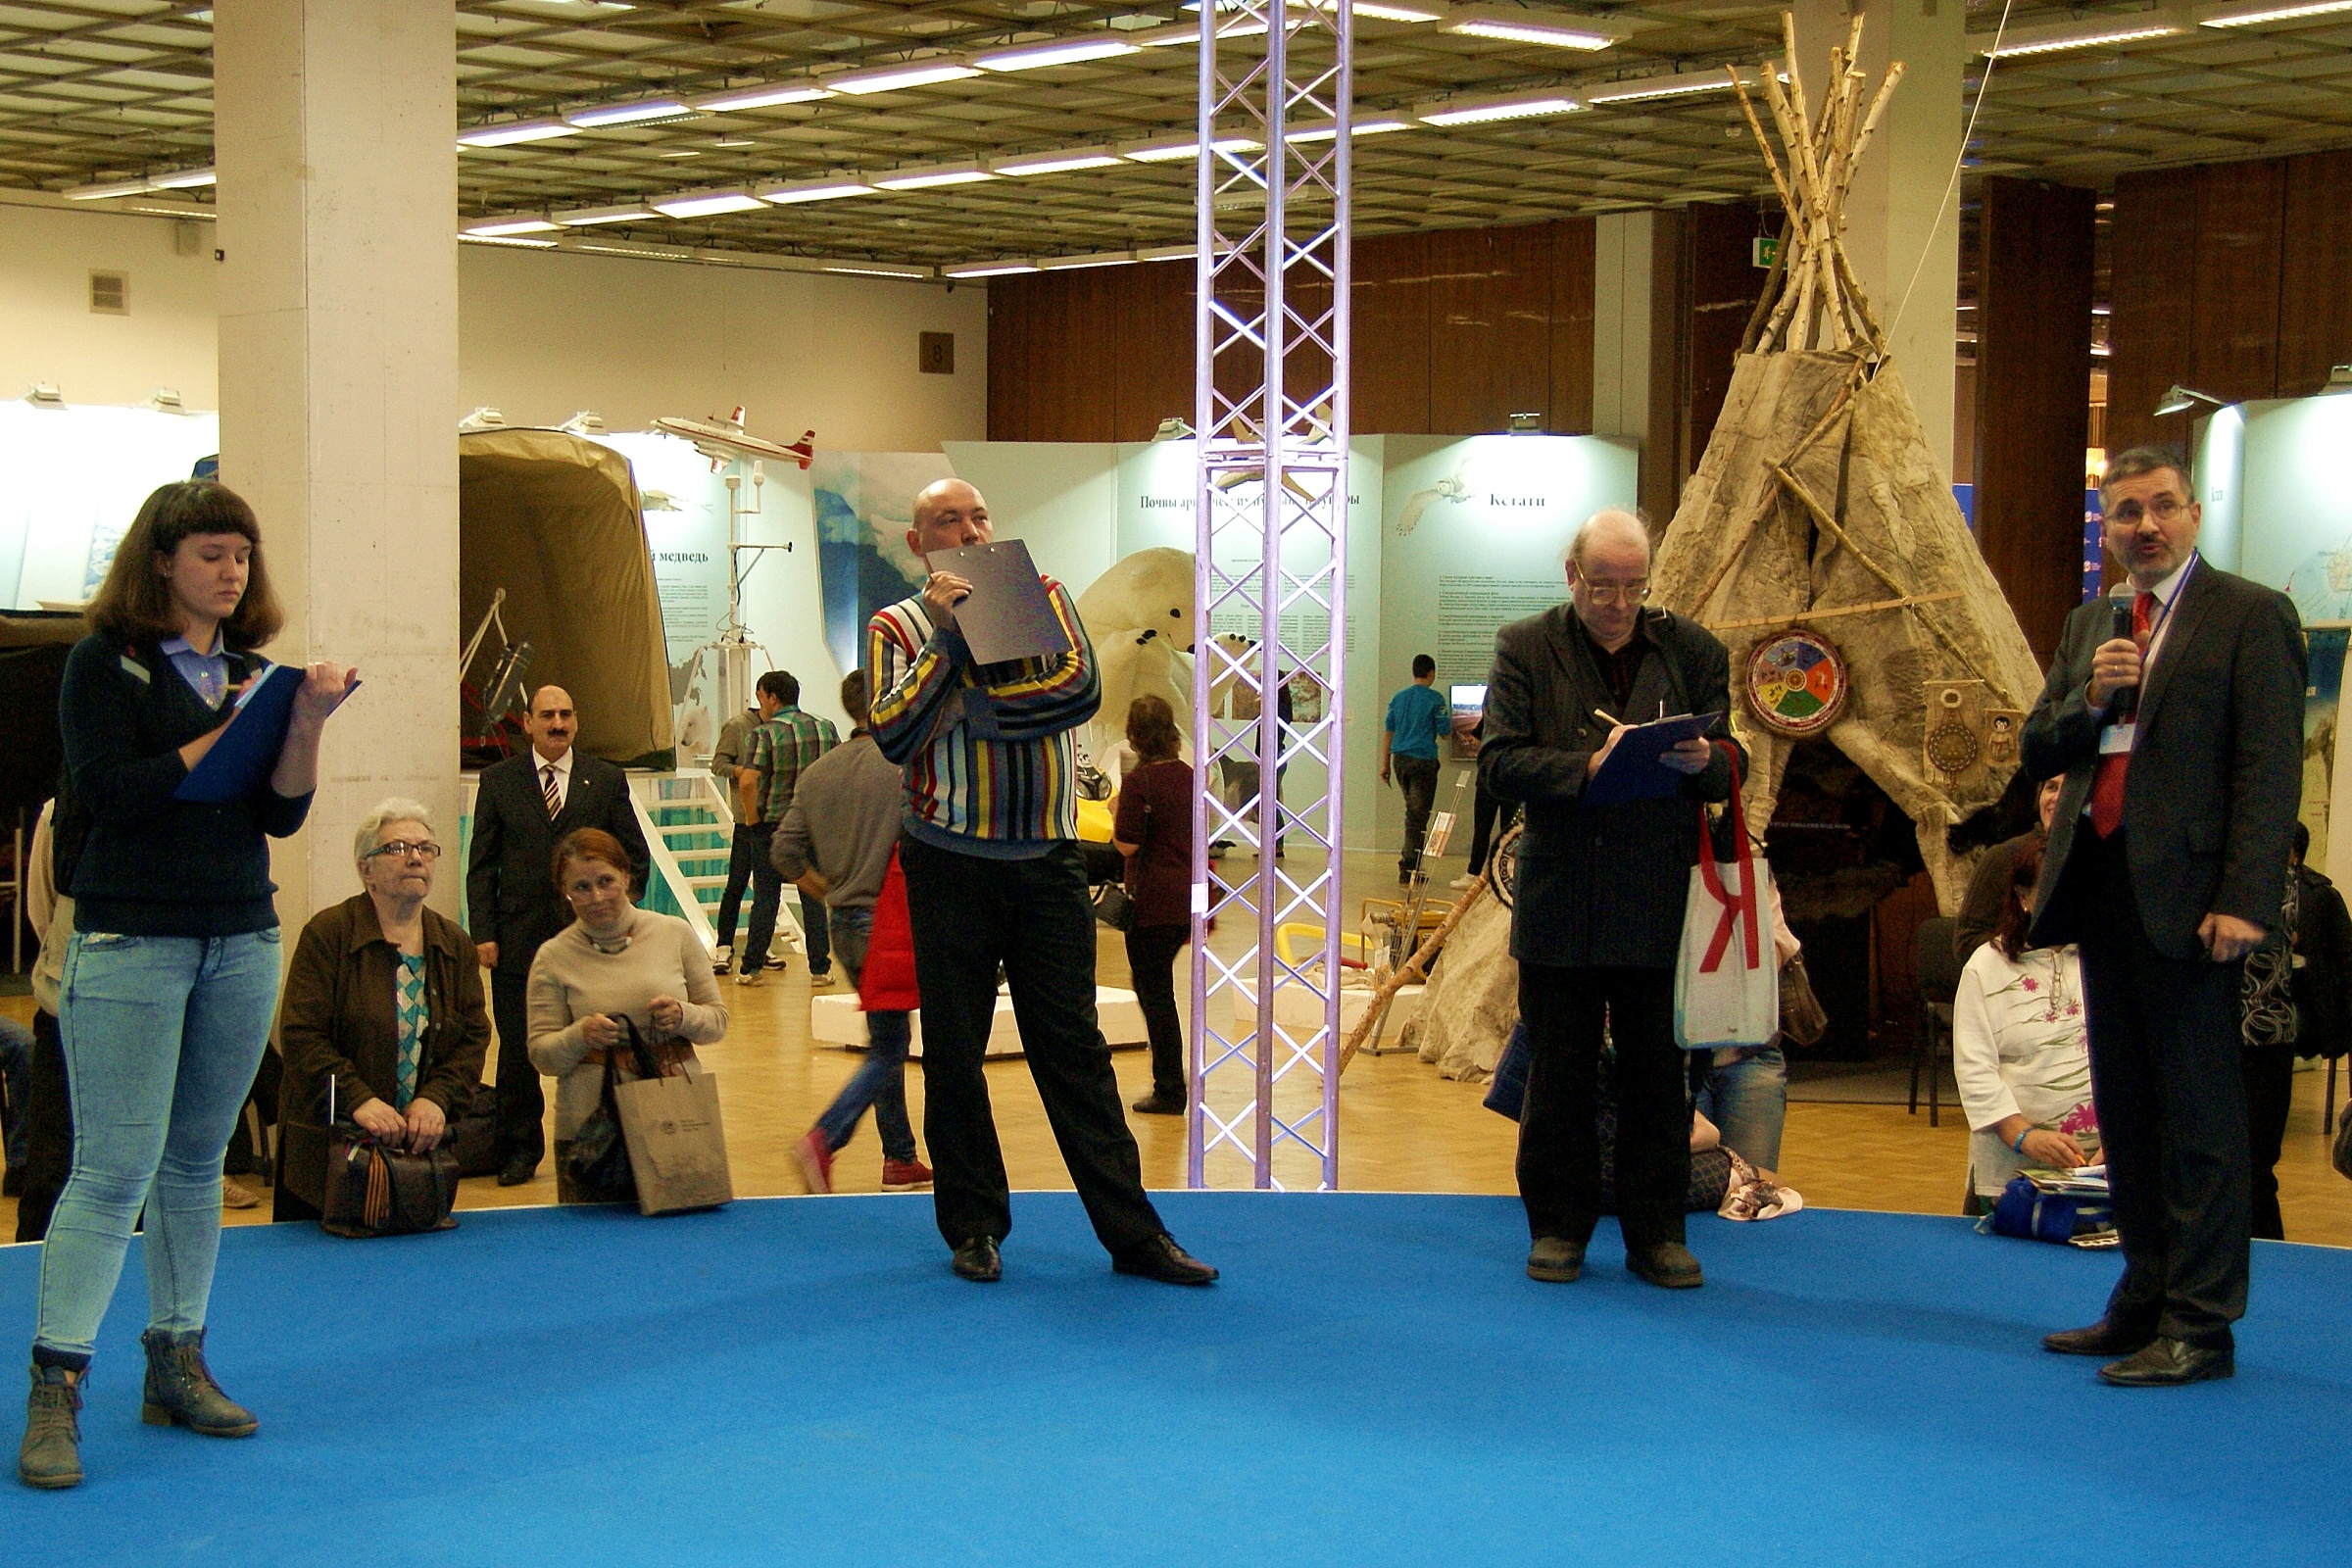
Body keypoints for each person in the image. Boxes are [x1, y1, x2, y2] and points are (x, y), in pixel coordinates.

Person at [21, 479, 354, 1492]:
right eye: (212, 553)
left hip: (240, 937)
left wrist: (304, 721)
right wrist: (230, 731)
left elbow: (281, 816)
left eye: (242, 555)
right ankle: (55, 1388)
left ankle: (176, 1360)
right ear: (161, 561)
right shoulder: (103, 663)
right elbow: (110, 792)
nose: (232, 571)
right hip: (131, 938)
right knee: (112, 1168)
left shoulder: (252, 672)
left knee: (196, 1163)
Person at [868, 476, 1215, 1287]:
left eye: (979, 515)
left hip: (1046, 863)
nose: (970, 530)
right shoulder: (899, 625)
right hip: (948, 862)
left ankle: (1134, 1235)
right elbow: (894, 732)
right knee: (954, 1056)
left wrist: (966, 706)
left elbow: (1078, 693)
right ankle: (973, 1228)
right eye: (947, 520)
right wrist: (948, 646)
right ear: (919, 544)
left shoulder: (1048, 596)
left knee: (1076, 1055)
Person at [2021, 446, 2303, 1387]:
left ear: (2193, 515)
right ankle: (2142, 1298)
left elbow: (2269, 769)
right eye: (2126, 512)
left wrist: (2244, 898)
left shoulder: (2249, 614)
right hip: (2102, 892)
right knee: (2130, 1115)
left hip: (2193, 907)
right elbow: (2039, 746)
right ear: (2106, 529)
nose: (2145, 526)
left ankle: (2201, 1325)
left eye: (2162, 507)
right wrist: (2091, 697)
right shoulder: (2091, 622)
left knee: (2200, 1125)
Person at [1480, 508, 1741, 1291]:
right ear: (1572, 575)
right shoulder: (1525, 646)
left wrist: (1706, 758)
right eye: (1603, 586)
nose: (1620, 603)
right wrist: (1585, 771)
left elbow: (1734, 765)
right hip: (1561, 894)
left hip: (1658, 898)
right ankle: (1558, 1229)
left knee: (1659, 1079)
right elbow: (1498, 762)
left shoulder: (1694, 649)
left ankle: (1656, 1235)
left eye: (1634, 586)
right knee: (1557, 1074)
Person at [465, 684, 651, 1188]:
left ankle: (607, 1144)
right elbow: (481, 865)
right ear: (527, 723)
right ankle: (518, 1149)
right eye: (547, 715)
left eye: (566, 714)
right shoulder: (499, 781)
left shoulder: (605, 780)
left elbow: (634, 856)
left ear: (576, 721)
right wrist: (484, 932)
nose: (557, 723)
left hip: (593, 942)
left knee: (601, 1042)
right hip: (517, 939)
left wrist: (620, 915)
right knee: (518, 1048)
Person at [272, 801, 492, 1224]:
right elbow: (302, 1036)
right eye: (397, 848)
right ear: (365, 869)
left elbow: (471, 1039)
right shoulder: (328, 934)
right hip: (332, 1155)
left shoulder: (454, 943)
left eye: (425, 848)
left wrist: (436, 1099)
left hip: (418, 1158)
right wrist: (359, 1100)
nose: (415, 858)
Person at [773, 670, 933, 1194]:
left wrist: (828, 890)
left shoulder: (818, 773)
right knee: (890, 1047)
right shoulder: (907, 765)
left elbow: (784, 851)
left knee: (886, 1038)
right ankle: (826, 1136)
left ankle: (900, 1158)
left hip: (843, 922)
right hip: (891, 923)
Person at [526, 828, 728, 1204]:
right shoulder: (552, 957)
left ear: (626, 876)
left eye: (606, 881)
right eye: (581, 888)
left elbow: (717, 1023)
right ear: (565, 892)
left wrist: (682, 1016)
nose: (597, 897)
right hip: (590, 1134)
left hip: (675, 1119)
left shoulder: (675, 933)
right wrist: (580, 1035)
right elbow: (543, 1056)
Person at [1952, 838, 2098, 1202]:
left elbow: (2137, 1060)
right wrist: (2024, 1136)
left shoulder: (2108, 961)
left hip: (2103, 1170)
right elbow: (1975, 1071)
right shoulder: (1985, 966)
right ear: (2023, 896)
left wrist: (2123, 1142)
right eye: (2052, 886)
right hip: (2010, 1175)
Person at [1113, 694, 1194, 1116]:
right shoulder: (1189, 776)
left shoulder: (1138, 781)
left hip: (1151, 901)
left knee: (1155, 995)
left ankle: (1170, 1088)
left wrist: (1116, 812)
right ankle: (1172, 1081)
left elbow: (1127, 844)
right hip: (1186, 897)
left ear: (1135, 735)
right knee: (1159, 990)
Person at [735, 670, 839, 988]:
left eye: (761, 697)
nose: (760, 704)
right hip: (813, 824)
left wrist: (752, 818)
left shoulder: (764, 734)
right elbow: (836, 771)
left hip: (773, 825)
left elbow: (748, 781)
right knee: (813, 896)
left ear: (773, 698)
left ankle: (751, 968)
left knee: (766, 897)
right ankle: (820, 969)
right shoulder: (825, 727)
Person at [16, 791, 77, 1244]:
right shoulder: (57, 814)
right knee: (49, 1173)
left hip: (145, 1022)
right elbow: (42, 914)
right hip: (64, 1008)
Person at [1956, 773, 2064, 967]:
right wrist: (2027, 949)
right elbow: (1966, 943)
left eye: (2068, 789)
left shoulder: (2103, 858)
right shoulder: (2003, 857)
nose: (2056, 797)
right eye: (2051, 787)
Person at [705, 696, 766, 972]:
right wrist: (743, 771)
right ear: (764, 696)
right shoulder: (737, 726)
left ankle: (759, 947)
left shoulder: (782, 727)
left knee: (766, 888)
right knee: (737, 882)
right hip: (746, 819)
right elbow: (718, 764)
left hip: (774, 818)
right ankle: (724, 946)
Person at [1381, 653, 1450, 885]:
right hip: (1423, 761)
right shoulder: (1435, 699)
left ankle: (1411, 865)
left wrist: (1385, 764)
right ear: (1431, 673)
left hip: (1400, 761)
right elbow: (1445, 733)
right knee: (1417, 816)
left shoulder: (1399, 698)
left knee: (1413, 812)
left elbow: (1388, 733)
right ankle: (1409, 867)